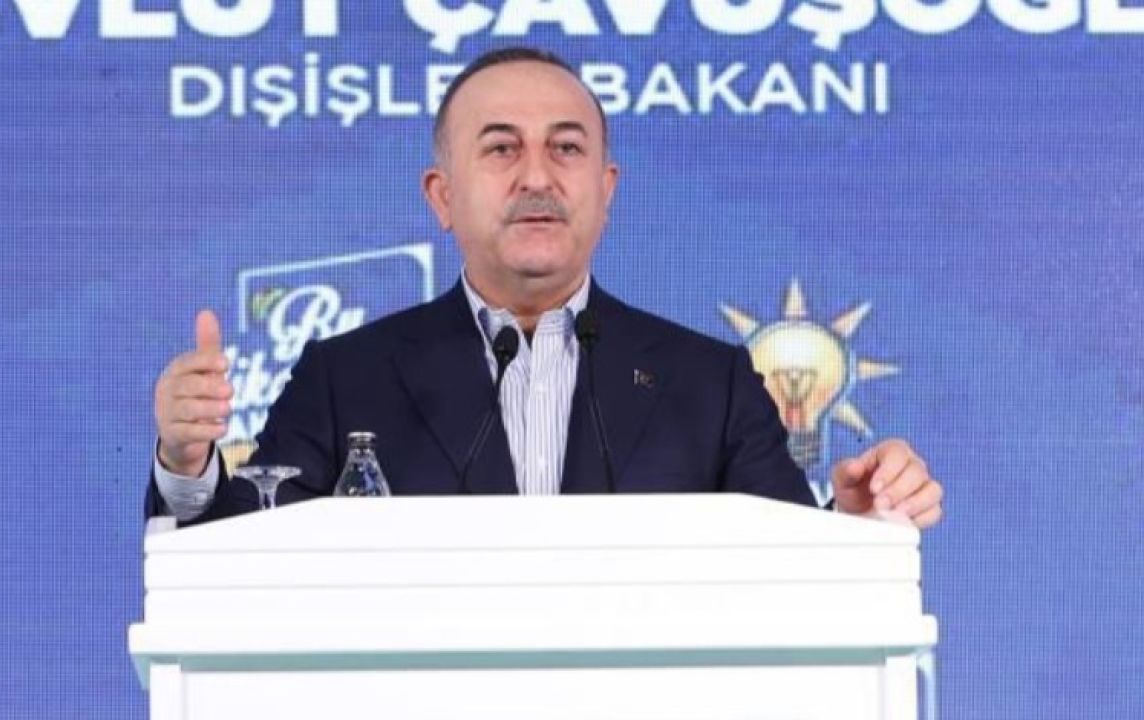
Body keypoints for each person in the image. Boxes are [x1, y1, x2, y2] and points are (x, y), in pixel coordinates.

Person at [146, 47, 944, 529]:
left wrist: (853, 526)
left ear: (605, 189)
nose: (537, 177)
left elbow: (791, 575)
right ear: (442, 197)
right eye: (501, 149)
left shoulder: (712, 384)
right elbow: (238, 565)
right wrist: (187, 464)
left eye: (566, 149)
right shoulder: (344, 378)